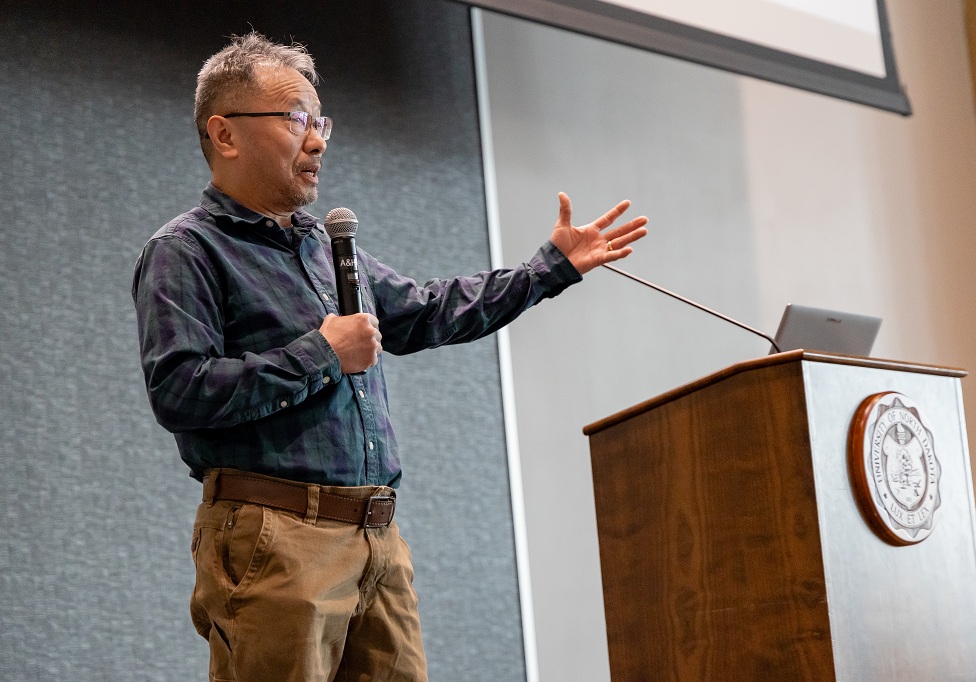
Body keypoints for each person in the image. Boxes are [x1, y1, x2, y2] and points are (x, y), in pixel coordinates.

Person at [132, 32, 647, 682]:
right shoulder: (187, 251)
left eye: (319, 120)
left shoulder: (323, 247)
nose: (317, 139)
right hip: (276, 535)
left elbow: (427, 310)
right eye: (295, 119)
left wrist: (548, 269)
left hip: (376, 535)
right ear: (225, 134)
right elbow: (181, 390)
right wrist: (322, 353)